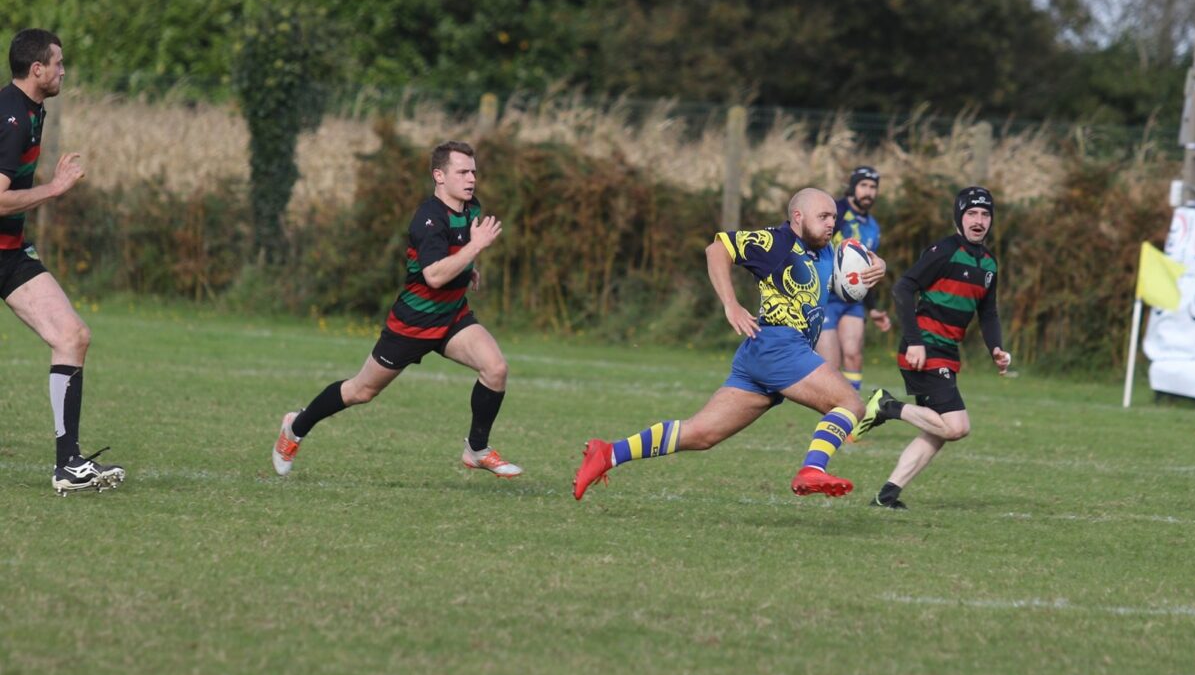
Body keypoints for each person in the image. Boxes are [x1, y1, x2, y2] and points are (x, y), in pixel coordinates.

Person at [572, 187, 890, 500]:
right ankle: (813, 469)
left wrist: (879, 265)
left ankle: (608, 453)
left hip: (762, 353)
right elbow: (717, 250)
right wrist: (731, 304)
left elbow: (857, 254)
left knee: (702, 434)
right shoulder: (775, 243)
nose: (831, 223)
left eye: (833, 217)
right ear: (798, 216)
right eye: (823, 217)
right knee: (850, 403)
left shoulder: (825, 249)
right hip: (779, 345)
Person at [271, 141, 522, 480]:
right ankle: (295, 426)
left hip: (451, 316)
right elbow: (433, 276)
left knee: (496, 369)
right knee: (361, 391)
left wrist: (468, 267)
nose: (471, 179)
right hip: (414, 322)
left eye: (473, 172)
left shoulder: (470, 208)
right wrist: (475, 248)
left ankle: (476, 450)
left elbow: (453, 251)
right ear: (439, 176)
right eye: (462, 172)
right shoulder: (428, 219)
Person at [0, 29, 125, 495]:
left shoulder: (30, 110)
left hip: (10, 252)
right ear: (37, 70)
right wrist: (53, 189)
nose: (63, 71)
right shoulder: (13, 118)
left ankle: (68, 465)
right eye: (57, 63)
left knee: (72, 336)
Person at [859, 186, 1011, 510]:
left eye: (985, 214)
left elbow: (988, 312)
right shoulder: (944, 251)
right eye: (972, 213)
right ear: (959, 216)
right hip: (925, 348)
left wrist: (996, 348)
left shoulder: (989, 264)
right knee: (957, 427)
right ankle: (887, 406)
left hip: (947, 352)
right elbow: (903, 288)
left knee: (938, 431)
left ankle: (886, 496)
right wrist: (915, 341)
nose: (979, 221)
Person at [816, 166, 891, 393]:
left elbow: (865, 271)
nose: (868, 192)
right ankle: (834, 410)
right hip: (824, 298)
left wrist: (873, 308)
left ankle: (851, 409)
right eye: (863, 185)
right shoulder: (835, 212)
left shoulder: (873, 227)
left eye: (873, 187)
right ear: (852, 187)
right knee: (830, 364)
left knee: (853, 354)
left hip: (852, 300)